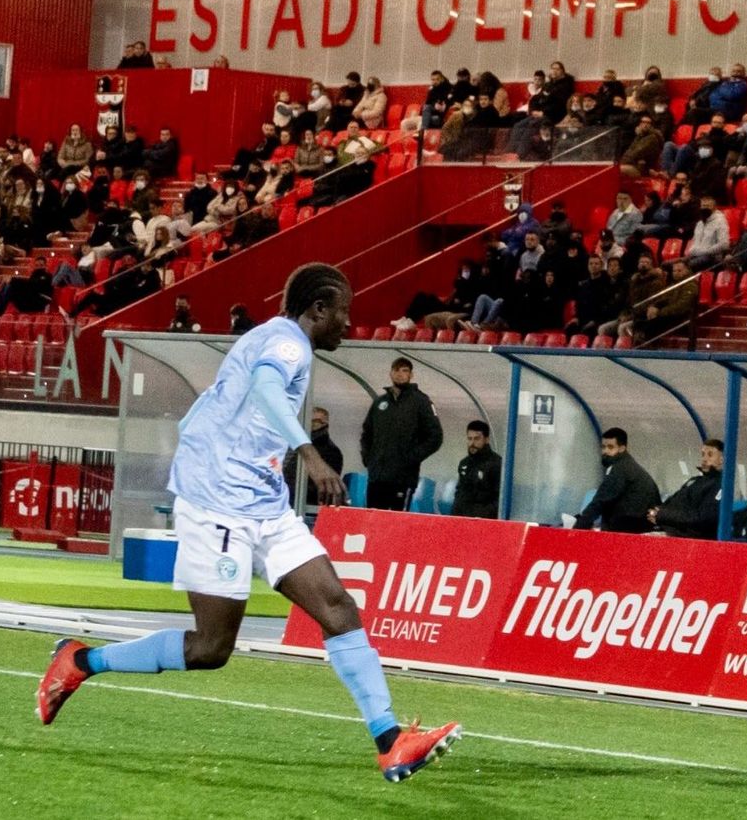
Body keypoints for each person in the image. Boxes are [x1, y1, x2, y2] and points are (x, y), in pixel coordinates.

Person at [35, 264, 461, 781]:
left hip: (263, 502)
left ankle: (390, 743)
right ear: (318, 309)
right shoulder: (288, 344)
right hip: (216, 503)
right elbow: (264, 388)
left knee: (338, 607)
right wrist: (309, 452)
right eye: (343, 312)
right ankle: (81, 661)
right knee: (211, 648)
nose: (349, 323)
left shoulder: (276, 338)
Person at [358, 358, 444, 511]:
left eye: (404, 370)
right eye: (396, 370)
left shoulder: (421, 401)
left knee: (397, 521)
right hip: (377, 477)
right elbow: (367, 432)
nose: (400, 374)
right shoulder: (380, 402)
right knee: (374, 520)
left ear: (411, 375)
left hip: (403, 479)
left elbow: (435, 437)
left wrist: (410, 458)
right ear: (390, 373)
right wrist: (368, 459)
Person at [572, 427, 661, 533]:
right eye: (603, 447)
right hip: (640, 527)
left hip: (630, 530)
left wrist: (578, 527)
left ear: (622, 448)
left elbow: (601, 500)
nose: (605, 451)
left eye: (610, 447)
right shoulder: (628, 465)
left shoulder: (620, 469)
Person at [647, 439, 724, 539]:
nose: (704, 459)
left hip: (688, 537)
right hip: (672, 530)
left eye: (710, 455)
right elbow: (673, 502)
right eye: (703, 454)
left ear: (722, 459)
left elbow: (702, 518)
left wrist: (662, 515)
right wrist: (658, 513)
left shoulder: (719, 485)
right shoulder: (695, 481)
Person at [283, 406, 345, 508]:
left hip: (303, 504)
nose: (311, 424)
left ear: (325, 424)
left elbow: (320, 487)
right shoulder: (298, 445)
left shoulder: (330, 451)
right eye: (309, 420)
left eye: (315, 421)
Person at [451, 420, 502, 519]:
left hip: (485, 520)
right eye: (469, 439)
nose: (472, 443)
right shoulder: (464, 463)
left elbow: (499, 498)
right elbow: (459, 493)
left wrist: (481, 515)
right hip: (462, 519)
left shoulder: (497, 464)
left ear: (486, 440)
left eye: (477, 439)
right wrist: (454, 517)